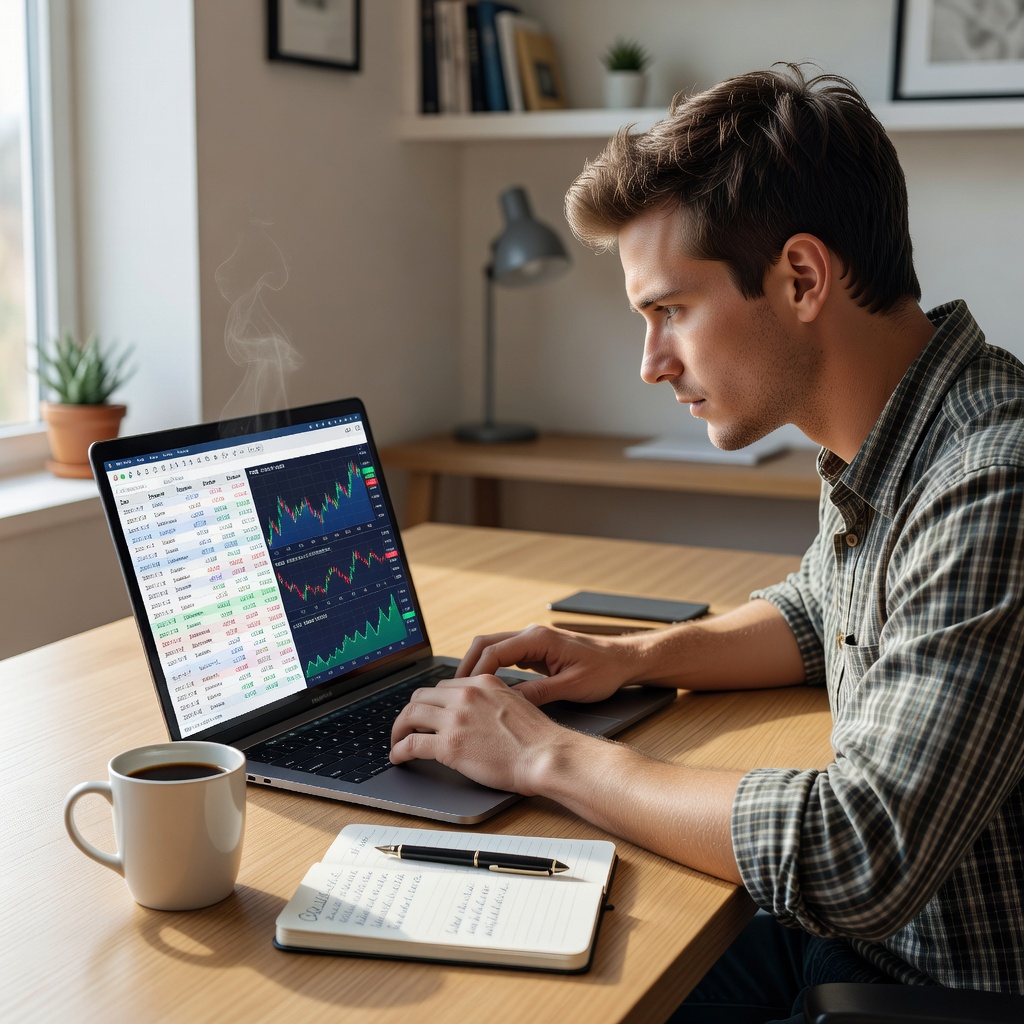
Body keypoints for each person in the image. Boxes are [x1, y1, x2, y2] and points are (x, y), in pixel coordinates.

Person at [390, 64, 1024, 1019]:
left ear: (801, 278)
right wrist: (632, 657)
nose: (652, 364)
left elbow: (861, 850)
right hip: (861, 949)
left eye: (669, 312)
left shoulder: (993, 476)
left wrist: (545, 758)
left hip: (936, 985)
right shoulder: (900, 432)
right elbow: (825, 613)